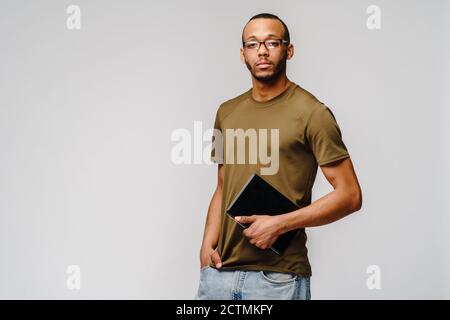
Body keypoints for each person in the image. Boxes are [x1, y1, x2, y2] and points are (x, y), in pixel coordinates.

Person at [195, 13, 363, 300]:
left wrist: (280, 224)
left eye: (272, 42)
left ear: (289, 49)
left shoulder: (312, 113)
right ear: (242, 54)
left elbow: (350, 195)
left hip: (278, 280)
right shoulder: (227, 111)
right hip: (219, 276)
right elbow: (223, 185)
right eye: (252, 44)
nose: (262, 50)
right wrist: (205, 247)